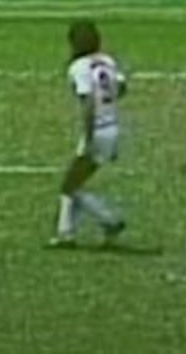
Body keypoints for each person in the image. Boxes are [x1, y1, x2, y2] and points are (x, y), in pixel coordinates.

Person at [49, 21, 127, 248]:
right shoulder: (107, 61)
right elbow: (122, 87)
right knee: (72, 183)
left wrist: (89, 135)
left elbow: (88, 103)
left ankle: (108, 219)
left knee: (70, 185)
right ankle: (65, 233)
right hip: (113, 127)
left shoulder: (79, 67)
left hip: (98, 131)